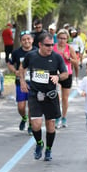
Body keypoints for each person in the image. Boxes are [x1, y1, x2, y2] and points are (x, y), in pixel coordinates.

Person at [18, 32, 68, 161]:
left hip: (50, 96)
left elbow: (65, 73)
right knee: (36, 124)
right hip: (35, 94)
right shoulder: (31, 56)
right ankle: (39, 143)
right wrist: (22, 81)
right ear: (40, 45)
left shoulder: (57, 57)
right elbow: (22, 67)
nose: (50, 48)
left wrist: (58, 76)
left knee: (50, 125)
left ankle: (49, 149)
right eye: (47, 45)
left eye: (52, 45)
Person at [7, 30, 37, 135]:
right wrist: (15, 71)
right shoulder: (16, 52)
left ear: (32, 40)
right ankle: (24, 118)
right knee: (21, 107)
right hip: (20, 82)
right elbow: (9, 63)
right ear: (21, 41)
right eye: (24, 39)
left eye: (28, 39)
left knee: (31, 105)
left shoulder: (37, 51)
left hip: (34, 82)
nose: (26, 41)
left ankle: (30, 125)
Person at [53, 29, 78, 129]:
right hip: (56, 75)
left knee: (65, 98)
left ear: (67, 39)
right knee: (56, 97)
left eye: (64, 38)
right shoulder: (53, 47)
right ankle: (57, 117)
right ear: (57, 38)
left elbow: (76, 62)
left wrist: (68, 59)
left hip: (67, 74)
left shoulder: (69, 48)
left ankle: (64, 117)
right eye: (60, 38)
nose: (62, 40)